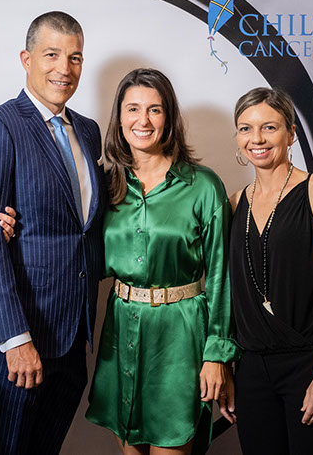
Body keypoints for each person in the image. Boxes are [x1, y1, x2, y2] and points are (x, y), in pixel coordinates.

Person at [0, 11, 107, 454]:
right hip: (17, 340)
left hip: (72, 337)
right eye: (52, 55)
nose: (65, 68)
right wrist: (14, 338)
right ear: (26, 59)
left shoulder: (88, 131)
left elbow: (83, 227)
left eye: (75, 57)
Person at [83, 69, 240, 455]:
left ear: (169, 117)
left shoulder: (203, 186)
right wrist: (12, 225)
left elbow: (222, 276)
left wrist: (217, 355)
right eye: (133, 108)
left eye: (155, 109)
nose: (143, 120)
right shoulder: (105, 185)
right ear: (119, 118)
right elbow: (72, 243)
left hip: (179, 337)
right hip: (121, 330)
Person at [228, 87, 313, 454]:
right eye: (246, 128)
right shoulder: (234, 204)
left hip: (310, 364)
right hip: (251, 371)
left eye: (269, 127)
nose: (256, 139)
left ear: (291, 133)